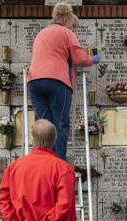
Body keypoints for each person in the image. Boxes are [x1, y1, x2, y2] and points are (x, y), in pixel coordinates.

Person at [27, 3, 100, 160]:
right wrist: (93, 59)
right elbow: (79, 58)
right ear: (67, 20)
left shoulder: (41, 33)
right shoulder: (66, 32)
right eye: (74, 26)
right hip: (57, 81)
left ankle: (41, 161)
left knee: (43, 124)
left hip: (34, 81)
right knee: (60, 124)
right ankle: (59, 163)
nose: (74, 30)